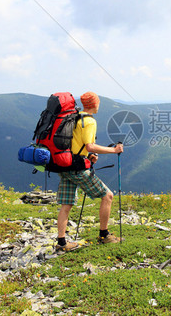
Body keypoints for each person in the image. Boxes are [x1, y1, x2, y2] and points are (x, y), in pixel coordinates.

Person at [56, 91, 124, 251]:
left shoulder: (74, 117)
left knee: (66, 205)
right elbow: (89, 146)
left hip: (65, 164)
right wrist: (114, 151)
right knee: (107, 196)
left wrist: (89, 156)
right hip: (77, 168)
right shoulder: (89, 121)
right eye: (98, 102)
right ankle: (104, 235)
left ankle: (61, 243)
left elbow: (78, 145)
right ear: (94, 104)